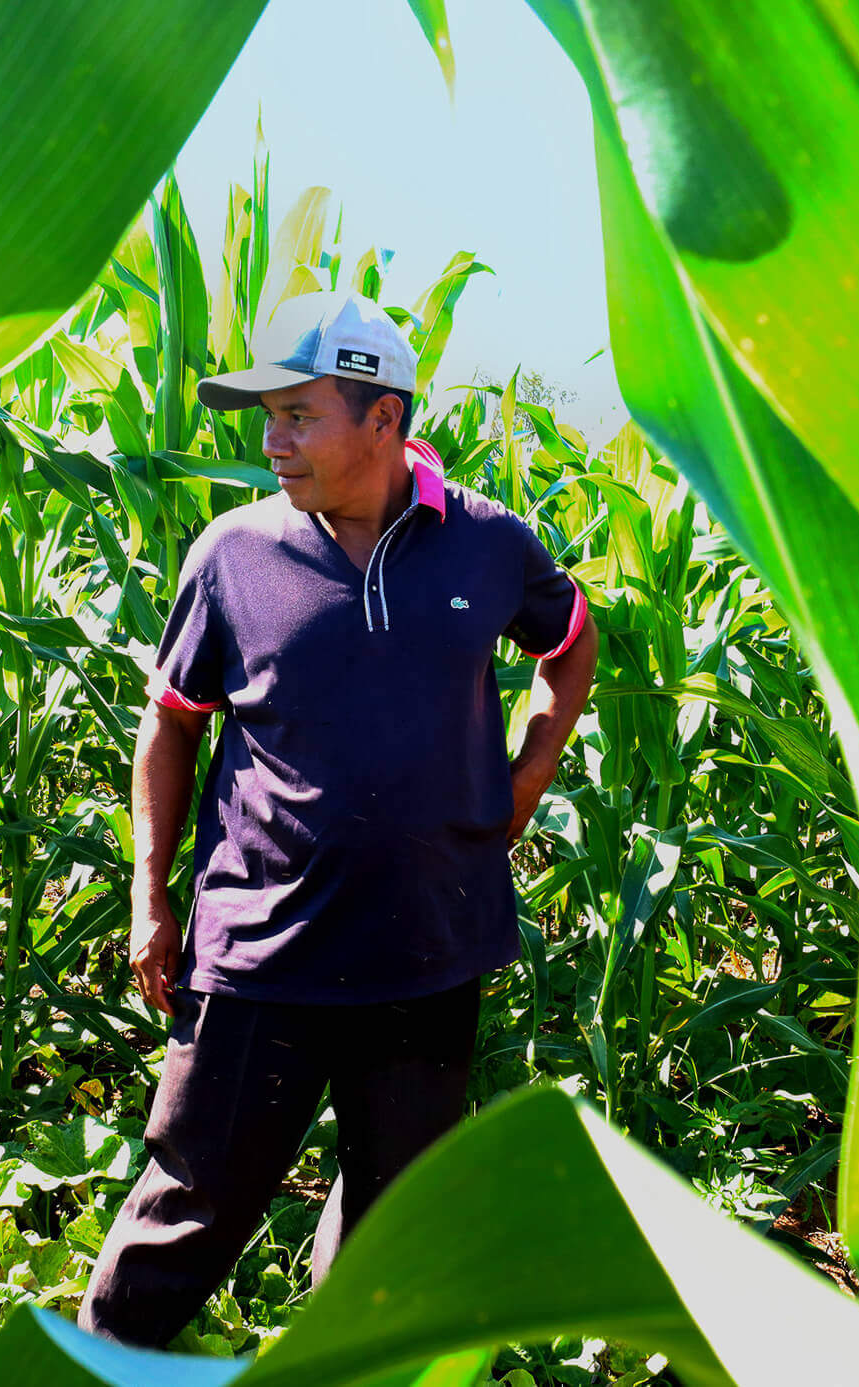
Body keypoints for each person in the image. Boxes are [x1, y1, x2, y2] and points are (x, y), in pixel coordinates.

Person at [78, 290, 597, 1346]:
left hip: (428, 953)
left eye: (297, 415)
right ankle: (96, 1374)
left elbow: (571, 639)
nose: (272, 442)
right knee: (186, 1210)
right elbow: (171, 725)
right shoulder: (233, 555)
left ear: (383, 418)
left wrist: (528, 776)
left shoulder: (488, 546)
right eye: (264, 417)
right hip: (264, 954)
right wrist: (149, 898)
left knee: (390, 1232)